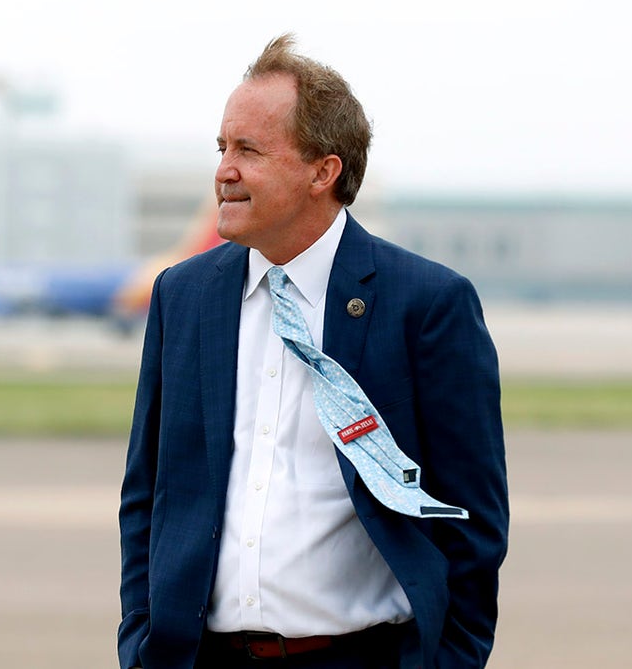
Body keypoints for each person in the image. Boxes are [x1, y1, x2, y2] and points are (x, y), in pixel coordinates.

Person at [118, 34, 508, 669]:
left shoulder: (427, 304)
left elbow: (473, 521)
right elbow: (147, 497)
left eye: (249, 150)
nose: (223, 171)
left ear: (322, 171)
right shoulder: (182, 296)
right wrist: (142, 644)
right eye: (221, 148)